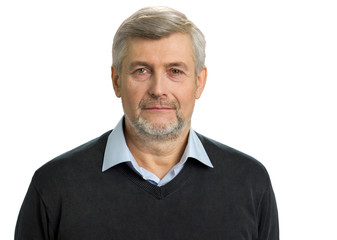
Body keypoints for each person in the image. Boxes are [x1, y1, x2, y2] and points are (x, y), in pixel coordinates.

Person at [15, 6, 279, 240]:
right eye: (141, 70)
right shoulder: (54, 186)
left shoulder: (250, 183)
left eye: (175, 71)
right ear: (116, 81)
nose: (158, 89)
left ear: (199, 82)